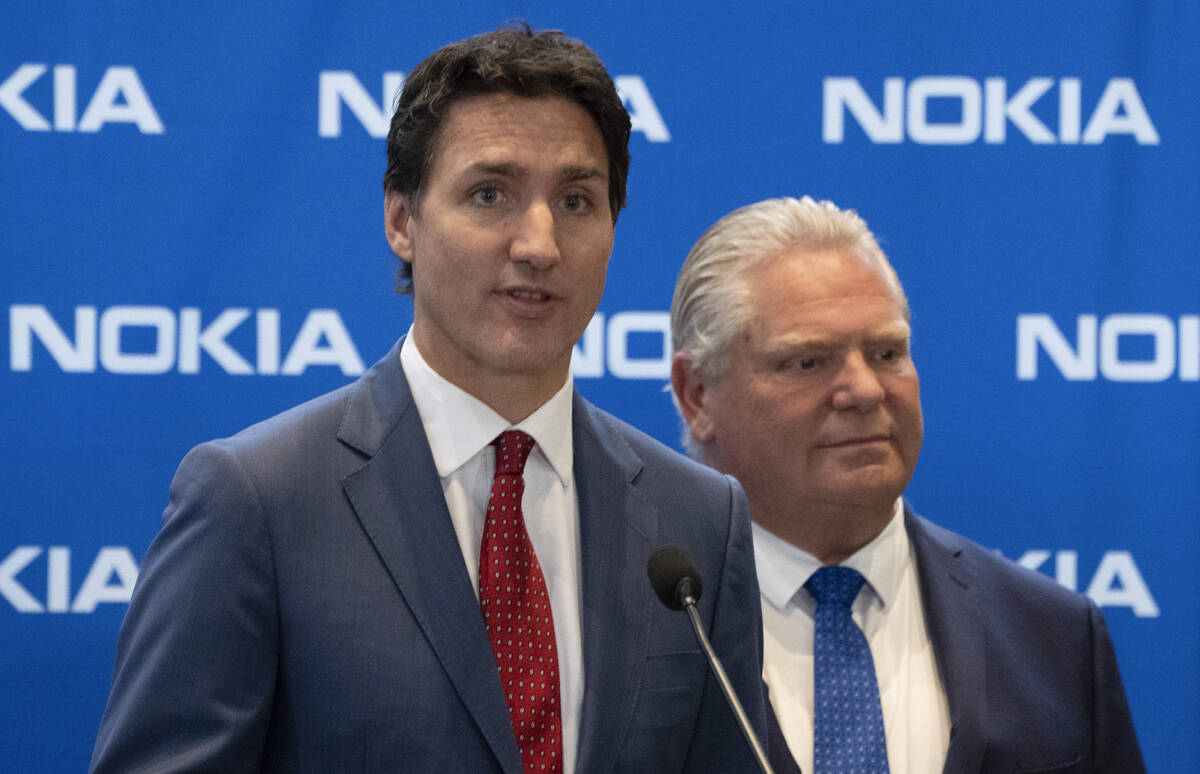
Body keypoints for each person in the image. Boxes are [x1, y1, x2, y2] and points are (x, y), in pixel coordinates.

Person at [90, 25, 770, 774]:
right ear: (401, 221)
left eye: (577, 200)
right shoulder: (257, 502)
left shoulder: (700, 524)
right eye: (490, 194)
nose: (539, 243)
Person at [670, 196, 1146, 774]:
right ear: (697, 395)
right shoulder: (624, 633)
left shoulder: (1055, 636)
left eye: (887, 352)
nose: (866, 390)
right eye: (808, 362)